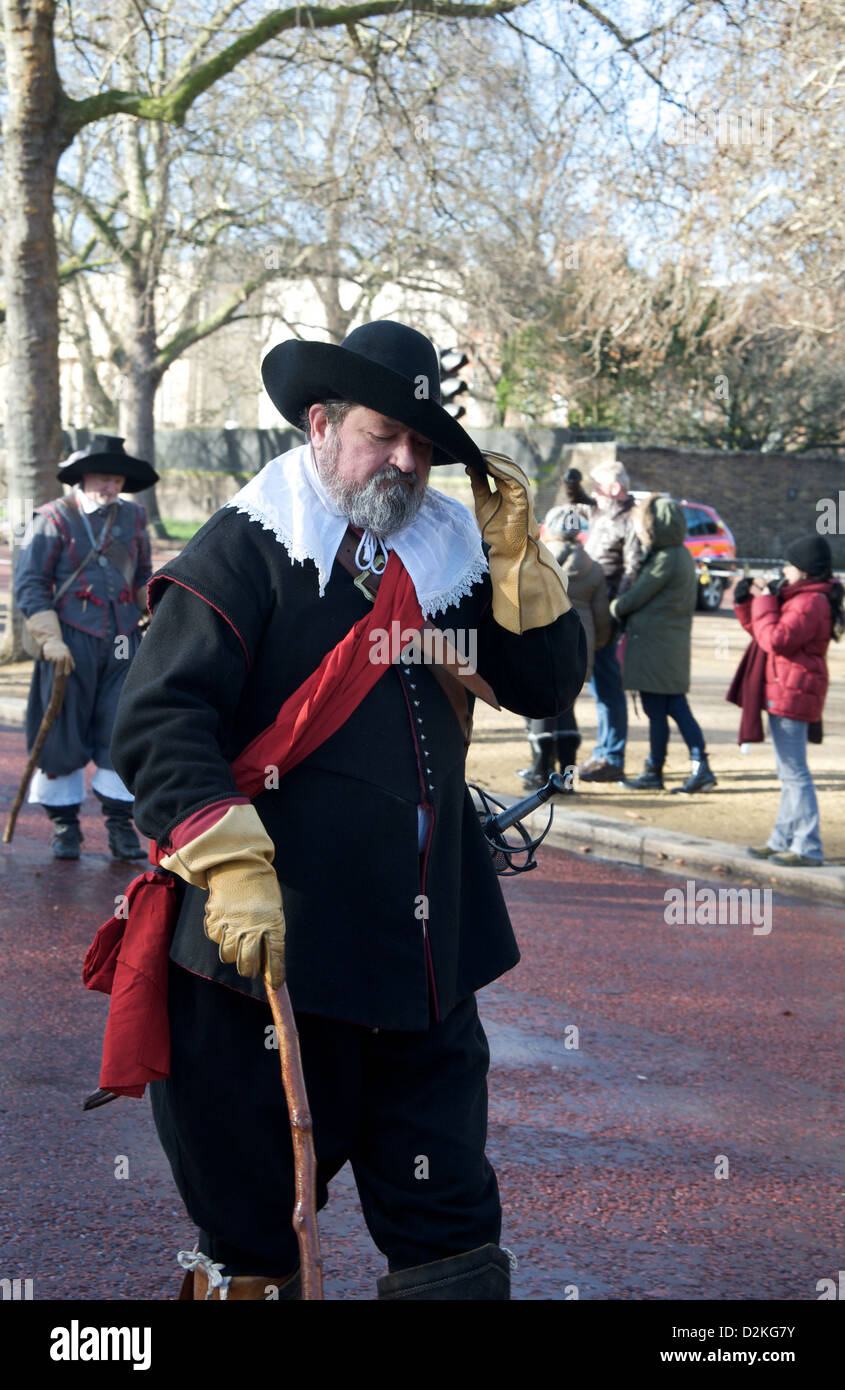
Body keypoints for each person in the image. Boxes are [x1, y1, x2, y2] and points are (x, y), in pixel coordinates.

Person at [108, 320, 587, 1301]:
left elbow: (538, 683)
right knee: (254, 1238)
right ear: (321, 424)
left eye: (421, 443)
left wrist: (518, 560)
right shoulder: (248, 543)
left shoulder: (449, 552)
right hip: (266, 957)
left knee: (450, 1228)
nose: (405, 461)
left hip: (424, 959)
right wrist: (230, 858)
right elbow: (160, 721)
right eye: (383, 434)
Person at [14, 436, 157, 860]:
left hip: (119, 642)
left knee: (120, 728)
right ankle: (65, 828)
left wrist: (155, 615)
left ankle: (119, 827)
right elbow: (30, 584)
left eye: (116, 479)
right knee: (61, 731)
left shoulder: (133, 517)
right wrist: (49, 638)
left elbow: (143, 577)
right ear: (83, 477)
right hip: (69, 642)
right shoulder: (53, 518)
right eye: (102, 477)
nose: (110, 486)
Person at [732, 535, 842, 866]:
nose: (784, 571)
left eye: (788, 566)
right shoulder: (801, 598)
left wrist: (765, 601)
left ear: (804, 571)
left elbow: (776, 640)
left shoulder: (810, 603)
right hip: (787, 690)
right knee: (788, 772)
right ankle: (782, 838)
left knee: (795, 773)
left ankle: (807, 845)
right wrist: (745, 603)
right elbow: (763, 635)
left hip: (793, 693)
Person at [610, 493, 716, 793]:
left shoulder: (667, 558)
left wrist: (614, 608)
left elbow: (635, 598)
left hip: (657, 648)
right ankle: (659, 768)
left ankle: (692, 766)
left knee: (671, 710)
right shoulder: (676, 554)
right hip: (663, 648)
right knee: (663, 710)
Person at [517, 506, 611, 789]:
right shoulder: (593, 568)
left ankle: (540, 772)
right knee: (566, 708)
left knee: (539, 707)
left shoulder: (534, 564)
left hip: (541, 645)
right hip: (579, 648)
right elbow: (602, 617)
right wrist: (596, 645)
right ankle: (568, 778)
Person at [562, 461, 642, 781]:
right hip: (593, 608)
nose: (594, 491)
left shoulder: (630, 520)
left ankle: (612, 757)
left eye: (599, 485)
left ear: (615, 488)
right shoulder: (600, 510)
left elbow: (632, 569)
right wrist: (572, 484)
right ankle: (603, 753)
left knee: (607, 686)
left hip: (606, 610)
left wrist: (614, 611)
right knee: (599, 685)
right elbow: (576, 501)